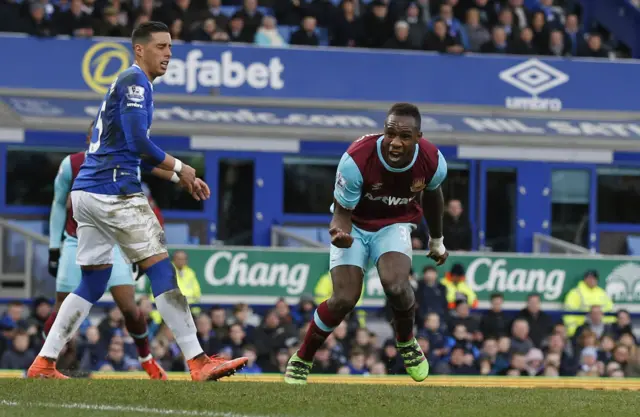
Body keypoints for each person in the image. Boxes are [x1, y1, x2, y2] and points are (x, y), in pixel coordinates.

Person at [27, 21, 248, 380]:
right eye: (161, 47)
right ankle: (197, 360)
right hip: (115, 193)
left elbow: (130, 151)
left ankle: (44, 362)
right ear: (140, 50)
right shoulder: (135, 83)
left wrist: (178, 177)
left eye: (171, 48)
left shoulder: (130, 84)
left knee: (94, 282)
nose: (168, 54)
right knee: (161, 268)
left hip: (88, 193)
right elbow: (137, 143)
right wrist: (182, 166)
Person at [284, 103, 449, 384]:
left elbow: (433, 197)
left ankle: (406, 341)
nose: (395, 142)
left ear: (418, 137)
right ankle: (303, 356)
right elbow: (341, 213)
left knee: (396, 285)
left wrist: (437, 240)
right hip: (355, 226)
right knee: (344, 300)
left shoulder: (433, 160)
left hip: (394, 224)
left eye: (405, 137)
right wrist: (339, 233)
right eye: (390, 133)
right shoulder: (356, 160)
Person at [44, 122, 169, 379]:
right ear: (90, 136)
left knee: (130, 310)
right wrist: (54, 248)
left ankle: (146, 358)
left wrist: (135, 249)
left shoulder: (128, 164)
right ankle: (45, 363)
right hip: (74, 241)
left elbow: (133, 208)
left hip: (112, 244)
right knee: (61, 306)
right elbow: (58, 203)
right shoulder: (72, 164)